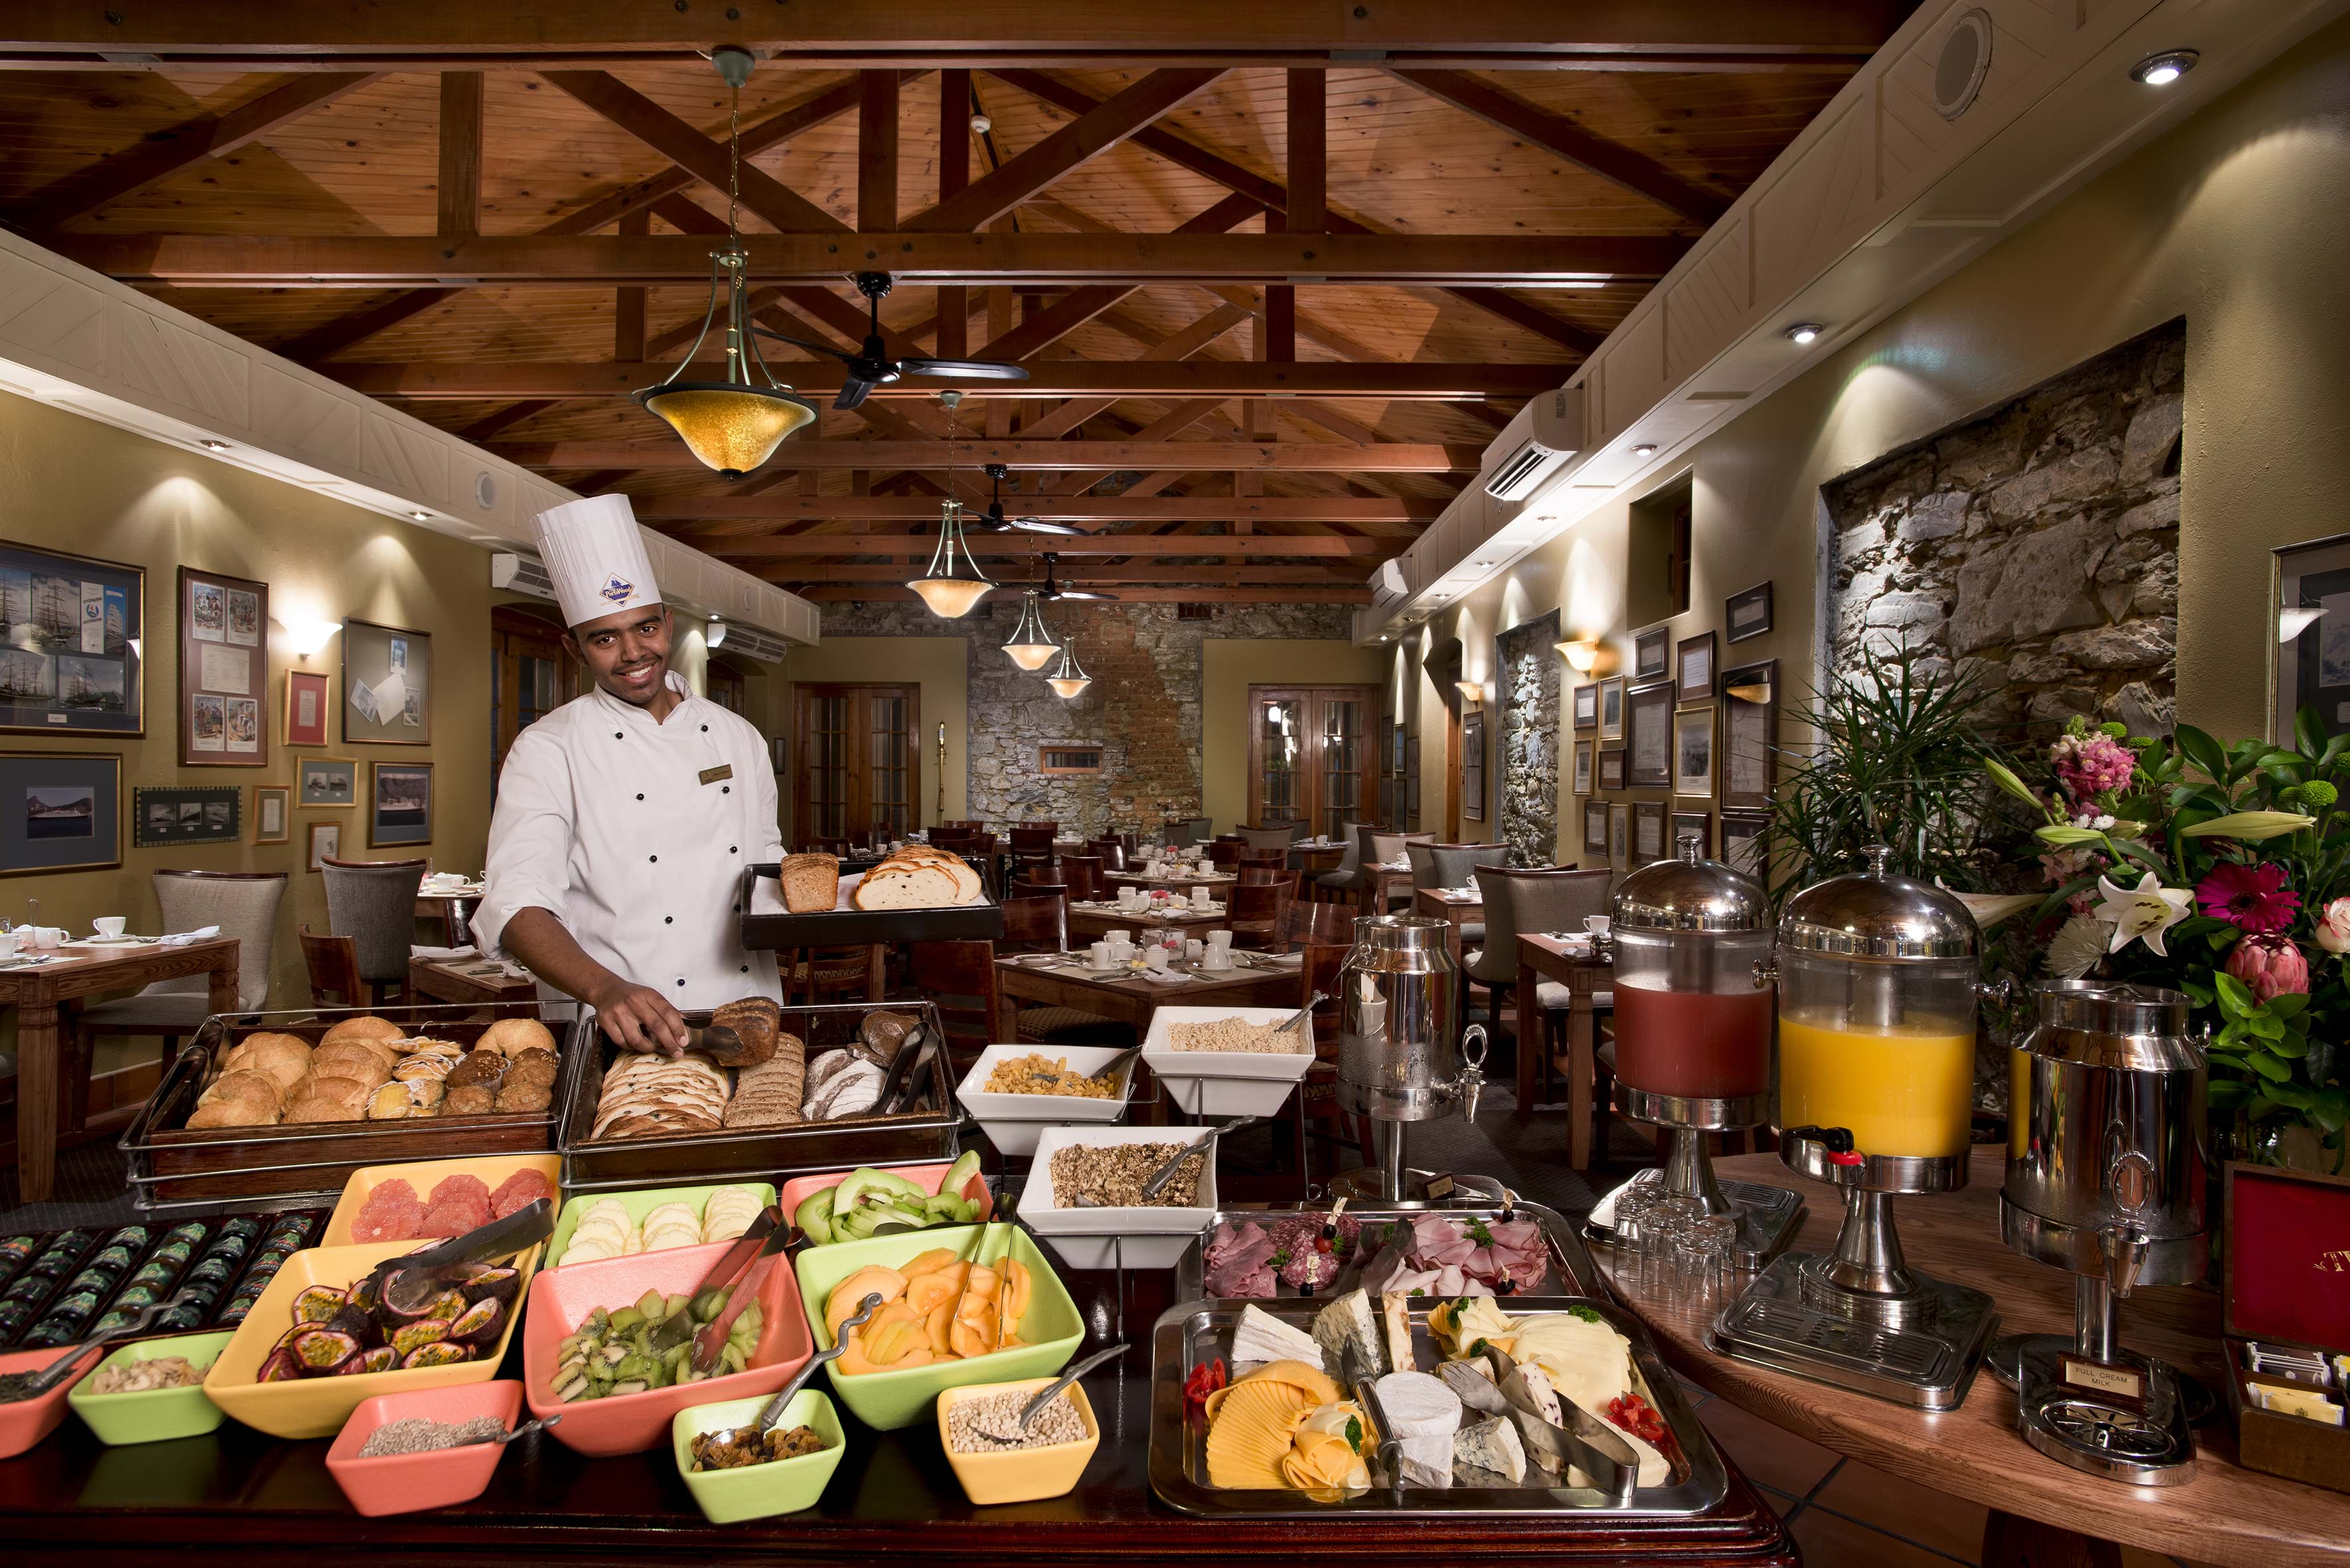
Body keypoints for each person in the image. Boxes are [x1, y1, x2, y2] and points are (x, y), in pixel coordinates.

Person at [472, 494, 782, 1054]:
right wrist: (604, 988)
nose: (634, 652)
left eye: (646, 628)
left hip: (744, 1012)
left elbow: (766, 862)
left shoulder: (738, 737)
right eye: (605, 638)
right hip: (614, 1025)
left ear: (668, 624)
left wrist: (850, 903)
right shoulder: (548, 749)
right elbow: (516, 904)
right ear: (574, 649)